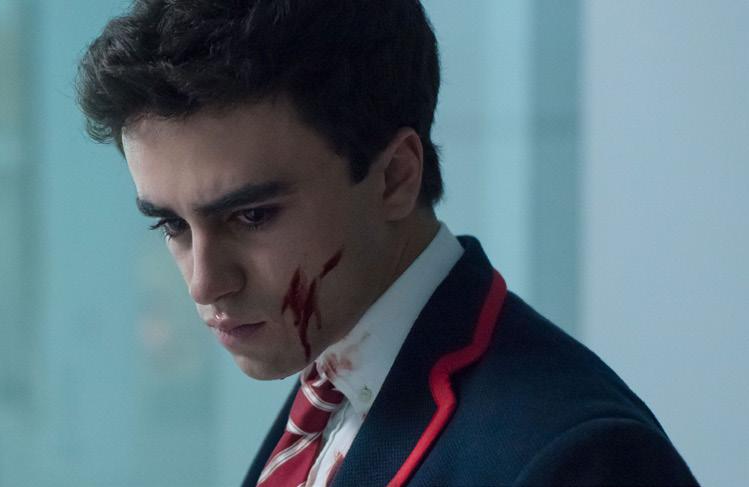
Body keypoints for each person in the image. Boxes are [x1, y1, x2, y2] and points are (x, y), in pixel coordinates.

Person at [76, 1, 698, 485]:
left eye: (253, 216)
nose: (204, 282)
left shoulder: (577, 458)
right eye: (172, 226)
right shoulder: (330, 379)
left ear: (396, 176)